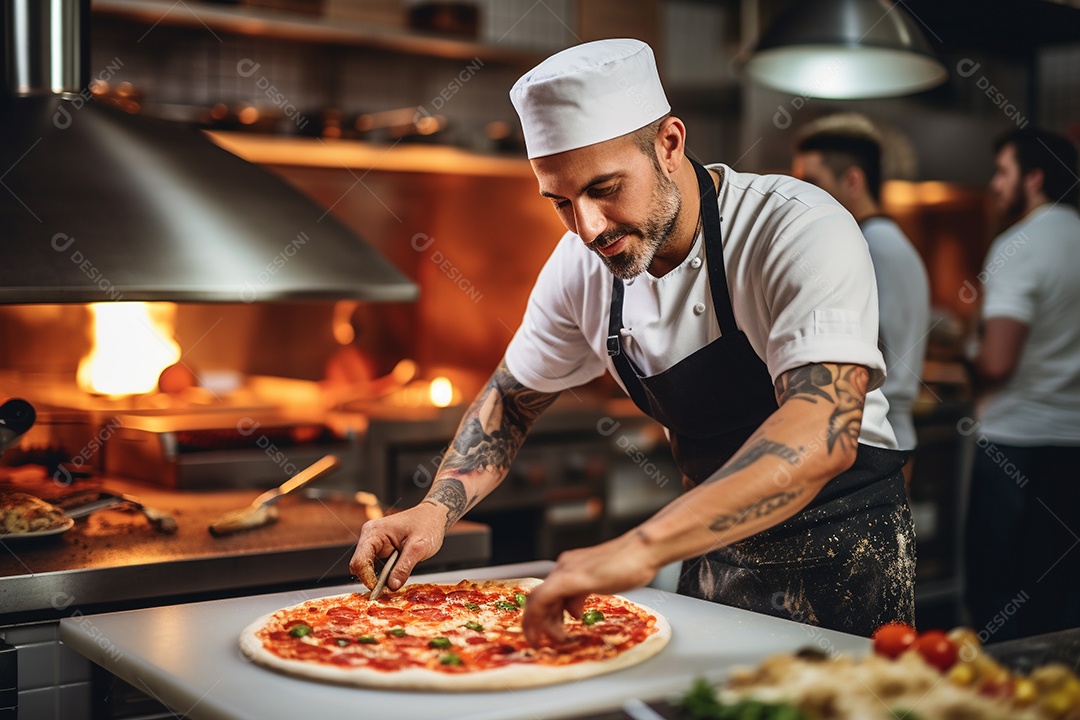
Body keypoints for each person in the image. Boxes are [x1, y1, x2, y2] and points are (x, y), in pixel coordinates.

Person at [351, 38, 914, 642]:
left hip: (845, 556)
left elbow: (822, 427)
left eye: (604, 188)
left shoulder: (796, 226)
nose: (587, 227)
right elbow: (510, 401)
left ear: (669, 144)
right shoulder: (579, 266)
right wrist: (436, 508)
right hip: (713, 551)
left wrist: (641, 547)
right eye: (562, 202)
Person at [964, 128, 1080, 641]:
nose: (994, 184)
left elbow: (997, 362)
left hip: (1017, 444)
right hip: (1072, 445)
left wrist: (969, 349)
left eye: (1003, 171)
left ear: (1034, 178)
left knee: (1000, 599)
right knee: (1059, 599)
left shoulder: (1019, 244)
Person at [792, 119, 931, 459]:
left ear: (852, 180)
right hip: (882, 434)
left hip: (874, 440)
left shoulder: (873, 247)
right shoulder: (883, 242)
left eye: (812, 182)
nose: (798, 196)